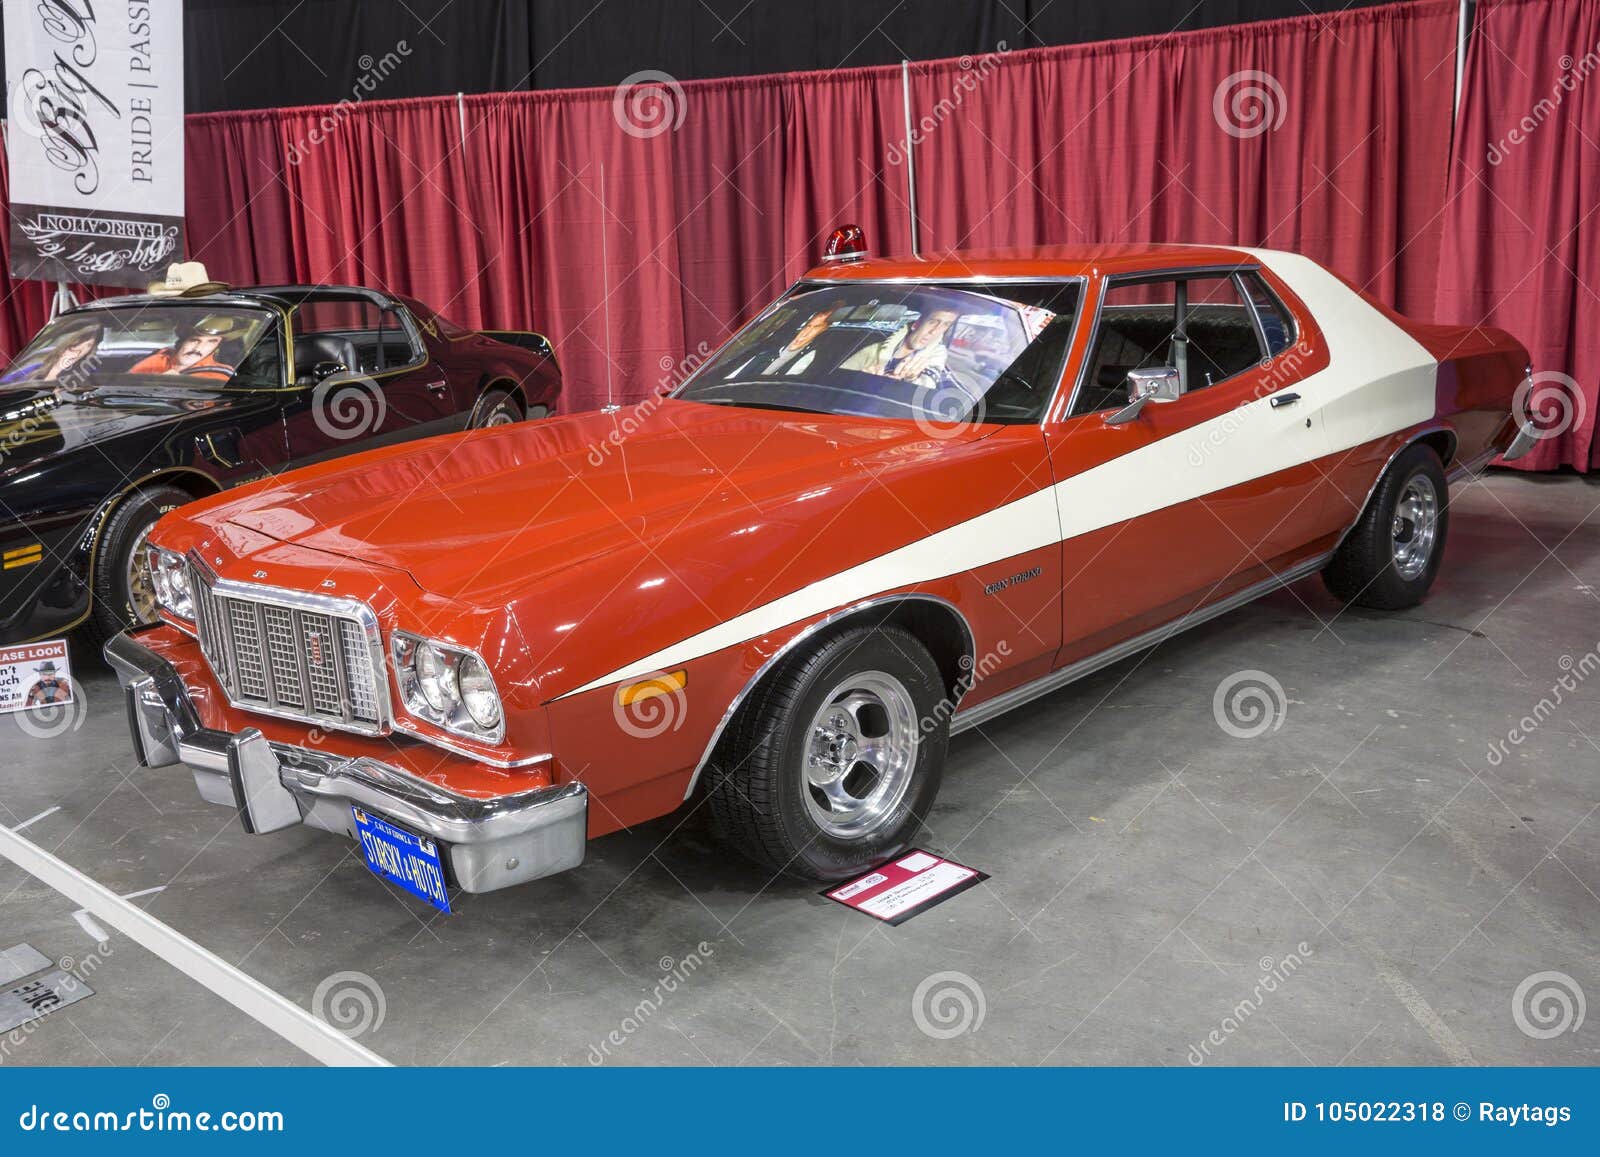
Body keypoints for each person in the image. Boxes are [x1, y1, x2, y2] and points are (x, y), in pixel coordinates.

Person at [842, 305, 959, 386]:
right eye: (933, 322)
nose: (934, 331)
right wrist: (861, 378)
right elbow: (839, 379)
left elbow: (926, 392)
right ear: (916, 324)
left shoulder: (936, 355)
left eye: (945, 325)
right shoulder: (873, 350)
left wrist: (911, 380)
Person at [725, 302, 840, 378]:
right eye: (808, 326)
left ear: (824, 331)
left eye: (816, 328)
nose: (806, 333)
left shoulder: (811, 356)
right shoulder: (770, 346)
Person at [129, 316, 237, 380]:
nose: (198, 349)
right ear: (182, 341)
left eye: (211, 342)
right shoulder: (158, 360)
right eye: (194, 340)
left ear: (217, 347)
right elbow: (128, 388)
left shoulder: (220, 374)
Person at [0, 322, 103, 385]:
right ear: (65, 347)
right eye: (77, 345)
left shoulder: (87, 371)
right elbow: (5, 383)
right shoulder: (37, 367)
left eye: (89, 345)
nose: (81, 349)